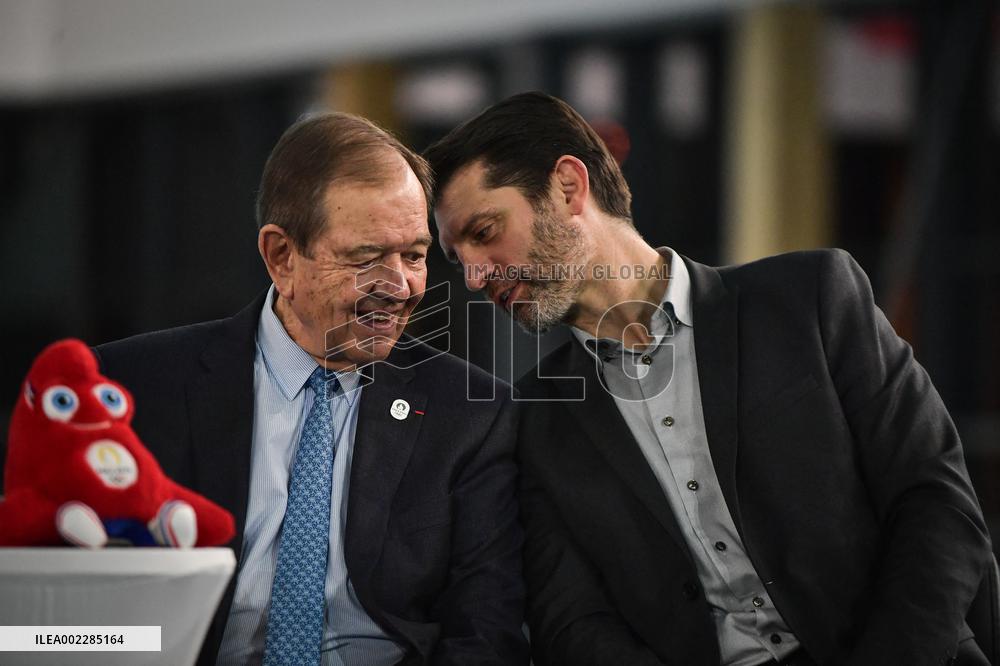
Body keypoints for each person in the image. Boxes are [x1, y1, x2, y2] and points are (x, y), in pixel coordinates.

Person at [425, 91, 993, 666]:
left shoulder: (810, 300)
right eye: (457, 255)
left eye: (484, 231)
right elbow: (572, 624)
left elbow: (936, 503)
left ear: (569, 188)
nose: (473, 276)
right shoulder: (534, 417)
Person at [95, 113, 529, 666]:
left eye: (414, 256)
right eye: (366, 257)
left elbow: (486, 636)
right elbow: (63, 620)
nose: (399, 286)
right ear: (282, 257)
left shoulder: (471, 414)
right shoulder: (132, 388)